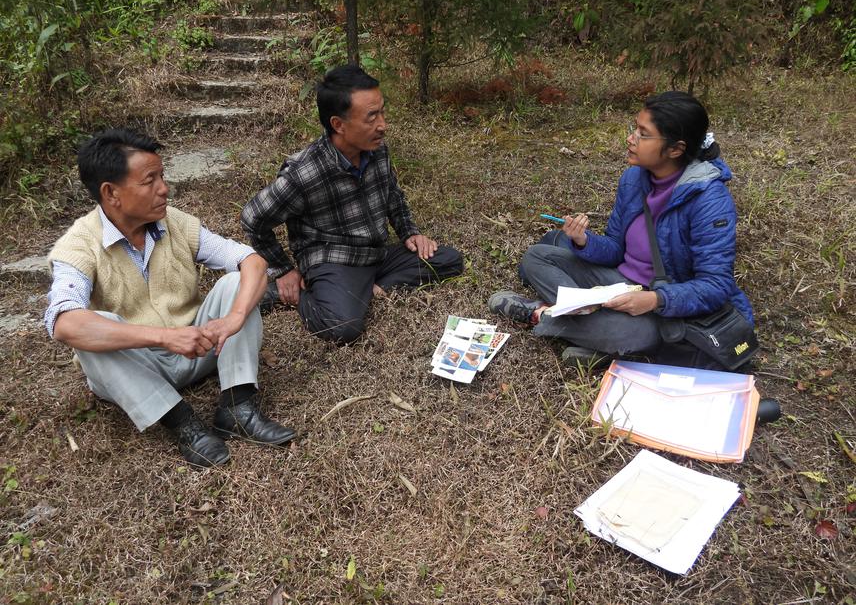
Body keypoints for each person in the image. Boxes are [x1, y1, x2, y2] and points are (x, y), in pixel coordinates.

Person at [45, 128, 295, 468]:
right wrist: (163, 337)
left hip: (197, 348)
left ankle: (238, 407)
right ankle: (183, 424)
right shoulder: (78, 245)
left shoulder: (174, 223)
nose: (164, 188)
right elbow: (63, 323)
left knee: (237, 281)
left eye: (162, 176)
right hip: (135, 366)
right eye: (150, 181)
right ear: (111, 193)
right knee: (89, 330)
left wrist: (234, 318)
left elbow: (251, 260)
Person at [488, 91, 753, 364]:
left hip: (663, 307)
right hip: (618, 284)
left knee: (634, 334)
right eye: (634, 129)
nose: (631, 139)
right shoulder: (634, 178)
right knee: (537, 256)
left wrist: (654, 300)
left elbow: (715, 285)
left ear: (676, 149)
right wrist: (584, 242)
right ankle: (594, 333)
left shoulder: (709, 200)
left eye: (643, 134)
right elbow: (616, 248)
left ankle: (543, 314)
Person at [241, 65, 464, 344]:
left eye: (382, 112)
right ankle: (297, 293)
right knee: (342, 327)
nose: (383, 124)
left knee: (449, 260)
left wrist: (410, 233)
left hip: (376, 254)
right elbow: (253, 218)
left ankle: (368, 289)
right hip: (334, 260)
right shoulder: (304, 172)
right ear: (338, 124)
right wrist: (284, 270)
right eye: (372, 117)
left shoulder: (376, 148)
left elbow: (392, 194)